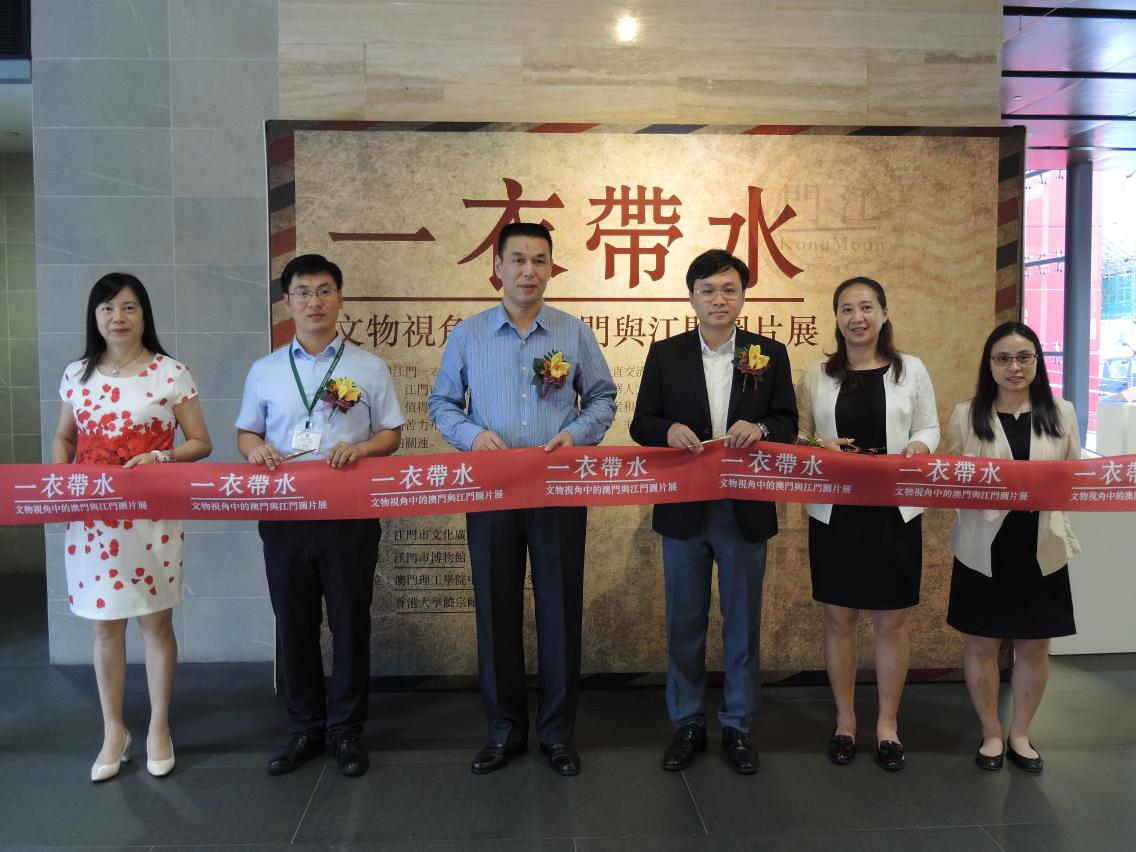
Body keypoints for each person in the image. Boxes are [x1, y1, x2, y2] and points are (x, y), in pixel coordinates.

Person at [428, 222, 616, 777]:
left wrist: (576, 434)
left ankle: (557, 734)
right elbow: (442, 403)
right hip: (491, 489)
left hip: (558, 489)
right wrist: (471, 437)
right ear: (498, 268)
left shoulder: (573, 333)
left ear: (551, 268)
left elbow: (602, 397)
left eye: (539, 260)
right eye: (517, 260)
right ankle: (503, 731)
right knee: (495, 608)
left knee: (560, 609)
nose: (528, 271)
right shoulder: (470, 334)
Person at [630, 249, 797, 775]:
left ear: (743, 296)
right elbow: (641, 422)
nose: (718, 299)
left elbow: (788, 421)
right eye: (707, 290)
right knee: (685, 621)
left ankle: (738, 726)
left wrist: (762, 428)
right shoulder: (666, 354)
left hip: (744, 508)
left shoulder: (769, 353)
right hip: (684, 509)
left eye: (728, 289)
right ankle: (687, 724)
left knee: (742, 623)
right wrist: (667, 431)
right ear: (692, 298)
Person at [236, 254, 404, 778]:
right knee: (295, 624)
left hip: (349, 516)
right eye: (303, 292)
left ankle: (347, 731)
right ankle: (304, 728)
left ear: (340, 298)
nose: (314, 301)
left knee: (351, 623)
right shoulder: (264, 370)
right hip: (284, 515)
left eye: (324, 290)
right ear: (287, 302)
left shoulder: (368, 367)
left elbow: (391, 433)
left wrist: (364, 449)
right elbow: (246, 432)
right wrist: (255, 450)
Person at [51, 273, 213, 782]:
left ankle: (159, 727)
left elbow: (201, 442)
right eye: (107, 308)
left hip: (151, 517)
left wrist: (161, 456)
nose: (117, 318)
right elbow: (64, 438)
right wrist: (61, 479)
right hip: (93, 521)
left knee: (155, 623)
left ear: (144, 314)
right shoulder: (77, 374)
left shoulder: (171, 373)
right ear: (94, 316)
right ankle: (114, 731)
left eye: (127, 307)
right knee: (104, 625)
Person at [796, 276, 939, 771]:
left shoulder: (910, 369)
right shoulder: (817, 374)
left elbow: (929, 425)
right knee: (839, 620)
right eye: (846, 309)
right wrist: (818, 446)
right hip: (835, 512)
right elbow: (798, 435)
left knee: (890, 622)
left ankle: (887, 725)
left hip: (893, 510)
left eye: (866, 307)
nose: (857, 317)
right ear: (836, 318)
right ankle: (845, 721)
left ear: (883, 313)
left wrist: (919, 446)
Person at [946, 322, 1081, 774]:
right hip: (984, 547)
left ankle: (1020, 734)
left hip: (1040, 545)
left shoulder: (1061, 412)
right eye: (1002, 358)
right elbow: (950, 479)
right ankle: (991, 732)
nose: (1014, 367)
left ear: (1037, 362)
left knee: (1034, 646)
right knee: (982, 645)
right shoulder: (967, 415)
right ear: (989, 365)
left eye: (1024, 357)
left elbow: (1073, 477)